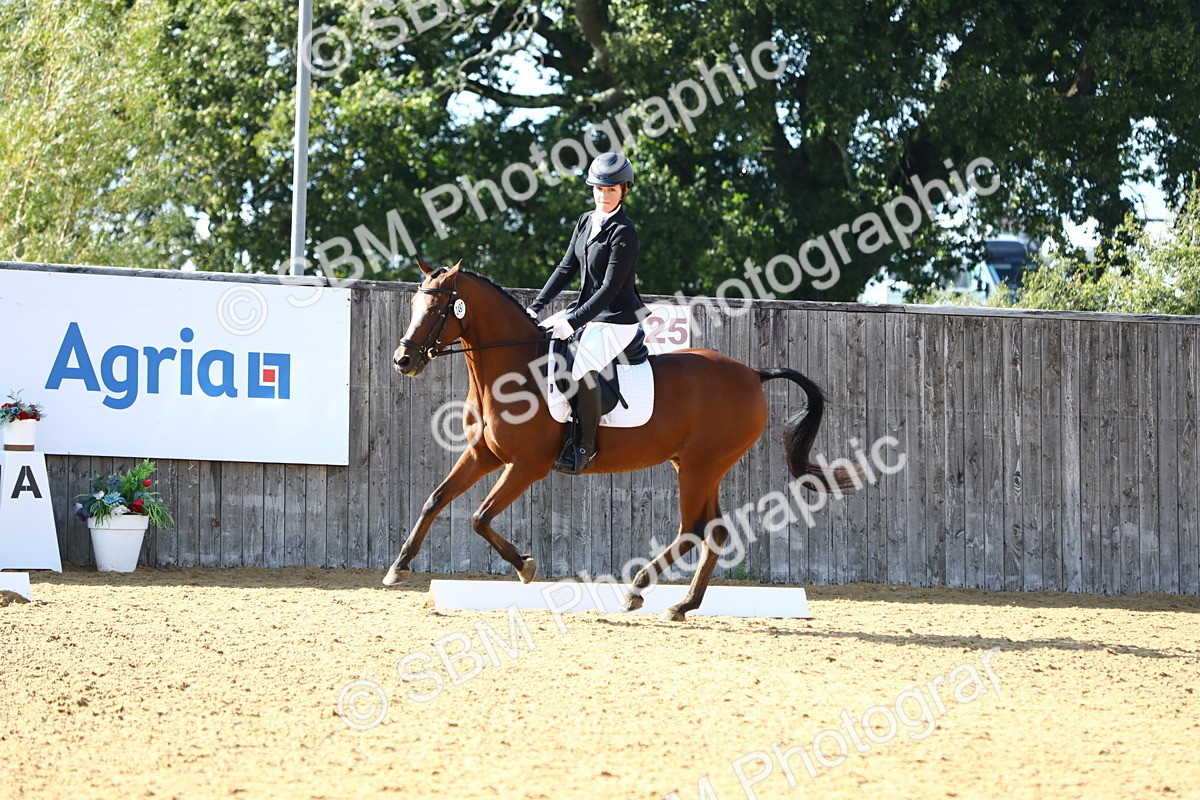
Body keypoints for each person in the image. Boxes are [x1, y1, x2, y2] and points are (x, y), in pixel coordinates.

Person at [527, 152, 647, 474]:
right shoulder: (585, 220)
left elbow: (609, 289)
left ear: (624, 191)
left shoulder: (624, 232)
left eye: (611, 190)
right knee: (542, 342)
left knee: (581, 367)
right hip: (586, 311)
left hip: (618, 318)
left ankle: (585, 447)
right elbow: (566, 268)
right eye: (598, 189)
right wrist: (536, 307)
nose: (603, 196)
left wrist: (573, 321)